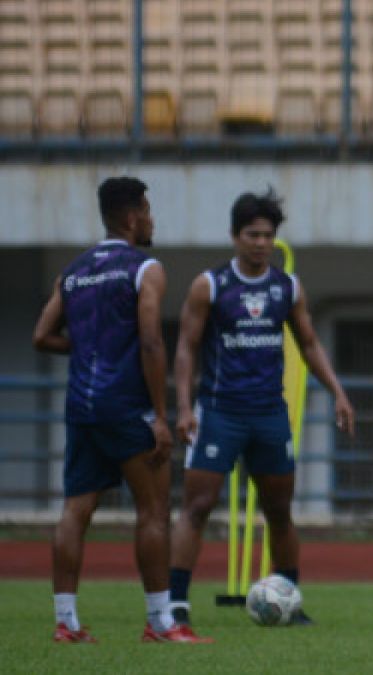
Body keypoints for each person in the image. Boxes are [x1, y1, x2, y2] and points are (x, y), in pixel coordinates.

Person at [33, 177, 210, 643]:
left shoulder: (72, 272)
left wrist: (90, 347)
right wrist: (159, 415)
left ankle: (66, 624)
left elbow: (42, 336)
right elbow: (152, 339)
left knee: (75, 512)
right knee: (153, 511)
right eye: (148, 211)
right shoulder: (145, 267)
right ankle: (161, 624)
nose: (151, 220)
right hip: (127, 405)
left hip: (81, 407)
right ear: (133, 217)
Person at [167, 187, 355, 627]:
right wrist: (183, 407)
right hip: (218, 413)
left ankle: (288, 598)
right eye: (252, 234)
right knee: (197, 507)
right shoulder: (210, 285)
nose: (261, 243)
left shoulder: (286, 287)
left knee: (279, 512)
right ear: (235, 236)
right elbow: (185, 348)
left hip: (269, 414)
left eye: (268, 235)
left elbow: (308, 343)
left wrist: (338, 392)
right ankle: (175, 603)